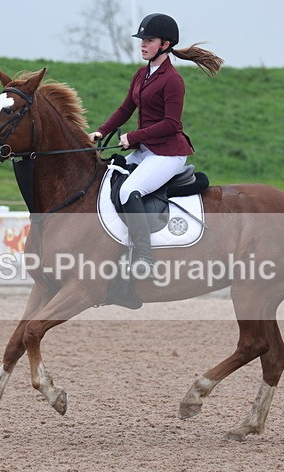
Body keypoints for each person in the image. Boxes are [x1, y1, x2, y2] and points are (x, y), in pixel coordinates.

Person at [89, 13, 224, 277]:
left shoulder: (172, 80)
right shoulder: (142, 74)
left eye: (148, 40)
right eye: (142, 40)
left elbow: (171, 124)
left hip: (168, 154)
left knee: (129, 191)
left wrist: (134, 137)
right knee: (108, 178)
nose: (142, 45)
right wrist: (99, 131)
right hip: (146, 151)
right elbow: (125, 108)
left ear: (164, 44)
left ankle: (144, 257)